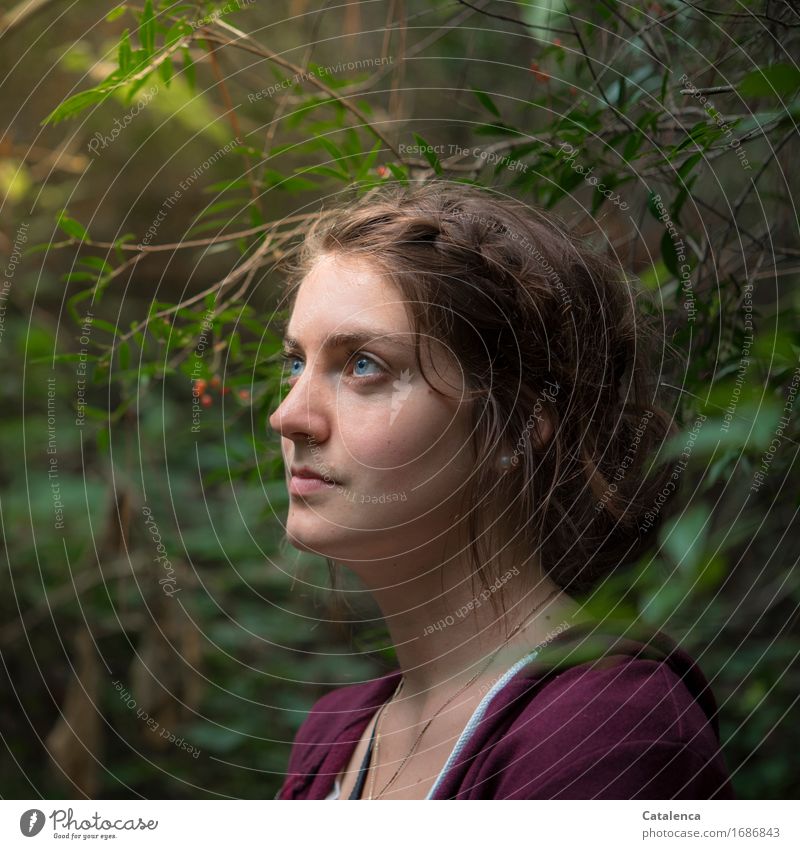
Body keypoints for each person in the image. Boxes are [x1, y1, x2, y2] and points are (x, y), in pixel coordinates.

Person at [268, 181, 733, 800]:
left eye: (364, 366)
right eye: (296, 363)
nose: (289, 416)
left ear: (517, 422)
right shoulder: (333, 739)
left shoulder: (604, 730)